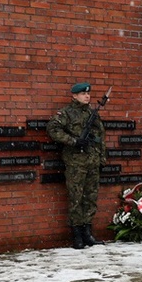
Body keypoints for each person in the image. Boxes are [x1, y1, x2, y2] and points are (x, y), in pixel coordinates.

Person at [47, 82, 107, 249]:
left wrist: (102, 158)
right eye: (82, 94)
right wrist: (73, 141)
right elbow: (53, 129)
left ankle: (88, 233)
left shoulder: (92, 113)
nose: (87, 96)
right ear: (74, 96)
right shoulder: (67, 113)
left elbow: (100, 136)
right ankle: (77, 235)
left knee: (91, 198)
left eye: (88, 94)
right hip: (76, 163)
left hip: (92, 162)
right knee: (76, 198)